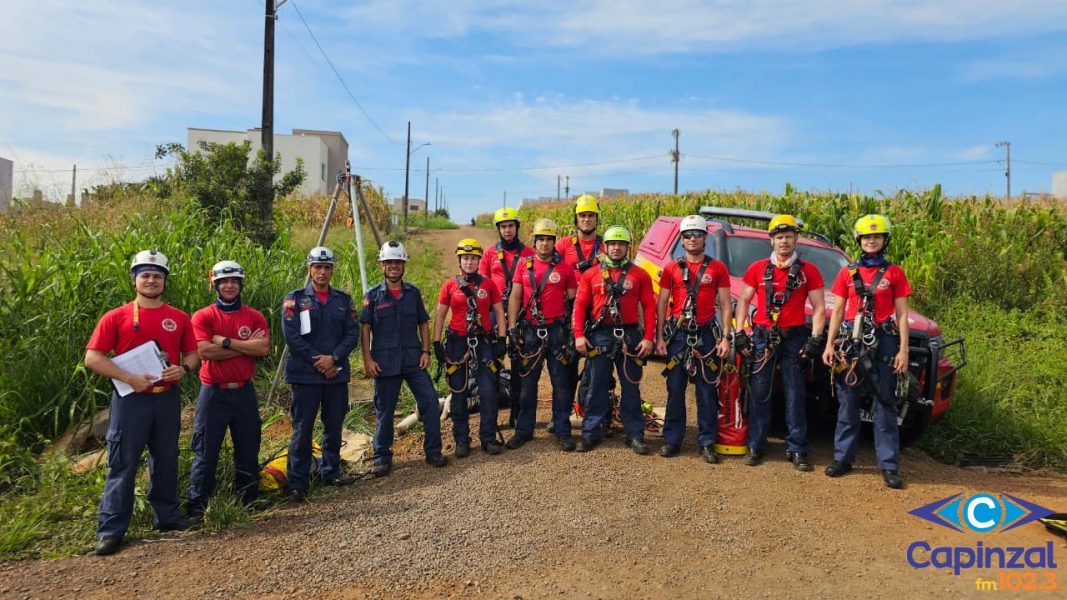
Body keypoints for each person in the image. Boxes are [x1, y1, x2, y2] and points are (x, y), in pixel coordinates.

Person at [84, 250, 200, 556]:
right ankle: (111, 530)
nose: (151, 280)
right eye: (145, 275)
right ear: (135, 279)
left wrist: (184, 368)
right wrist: (127, 377)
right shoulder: (116, 317)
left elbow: (193, 355)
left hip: (167, 400)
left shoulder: (178, 318)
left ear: (165, 281)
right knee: (122, 463)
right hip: (131, 401)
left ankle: (167, 517)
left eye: (157, 276)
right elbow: (93, 357)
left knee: (165, 457)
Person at [821, 215, 911, 489]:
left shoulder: (894, 273)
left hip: (883, 342)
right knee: (848, 402)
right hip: (851, 342)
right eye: (866, 237)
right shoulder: (847, 273)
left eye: (877, 237)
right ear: (859, 241)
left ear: (885, 240)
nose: (872, 241)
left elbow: (903, 314)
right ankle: (843, 458)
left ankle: (889, 465)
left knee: (884, 403)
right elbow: (837, 310)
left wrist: (903, 350)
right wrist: (829, 343)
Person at [734, 215, 826, 470]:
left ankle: (797, 448)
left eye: (788, 236)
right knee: (760, 391)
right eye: (779, 237)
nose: (784, 241)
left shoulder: (809, 271)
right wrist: (740, 332)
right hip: (762, 337)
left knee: (795, 392)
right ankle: (756, 444)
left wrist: (815, 340)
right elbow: (743, 300)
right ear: (771, 240)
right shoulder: (758, 268)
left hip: (794, 338)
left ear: (796, 239)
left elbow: (819, 308)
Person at [186, 261, 270, 520]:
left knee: (248, 446)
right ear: (216, 285)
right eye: (224, 281)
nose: (229, 285)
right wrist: (247, 345)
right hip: (213, 393)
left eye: (234, 281)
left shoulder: (254, 316)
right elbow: (204, 351)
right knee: (205, 450)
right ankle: (197, 506)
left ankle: (247, 500)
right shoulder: (203, 316)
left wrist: (225, 342)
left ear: (241, 283)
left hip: (244, 392)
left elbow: (264, 349)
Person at [362, 241, 448, 476]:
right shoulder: (372, 295)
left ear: (403, 265)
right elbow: (366, 328)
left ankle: (433, 452)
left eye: (398, 262)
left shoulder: (413, 293)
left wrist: (426, 351)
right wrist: (368, 360)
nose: (393, 266)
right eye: (389, 262)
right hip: (385, 362)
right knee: (385, 410)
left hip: (412, 359)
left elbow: (423, 322)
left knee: (430, 402)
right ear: (382, 264)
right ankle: (381, 457)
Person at [282, 246, 360, 502]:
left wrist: (333, 358)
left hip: (335, 374)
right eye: (318, 267)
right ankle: (297, 483)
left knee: (334, 425)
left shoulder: (343, 300)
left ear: (332, 270)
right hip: (305, 375)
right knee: (302, 429)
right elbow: (291, 335)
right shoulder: (295, 299)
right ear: (310, 269)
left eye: (327, 267)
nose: (322, 272)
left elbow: (352, 333)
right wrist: (319, 360)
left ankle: (331, 471)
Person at [654, 216, 733, 461]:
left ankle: (707, 442)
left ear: (705, 238)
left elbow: (727, 306)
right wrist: (660, 337)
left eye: (697, 234)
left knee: (706, 391)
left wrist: (725, 338)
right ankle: (672, 440)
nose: (692, 239)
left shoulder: (717, 268)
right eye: (687, 235)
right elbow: (661, 303)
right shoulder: (671, 268)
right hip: (678, 336)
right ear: (681, 239)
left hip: (707, 336)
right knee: (675, 389)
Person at [573, 225, 656, 454]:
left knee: (631, 387)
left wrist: (648, 338)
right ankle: (591, 433)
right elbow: (579, 306)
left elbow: (649, 308)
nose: (617, 248)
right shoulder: (590, 274)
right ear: (605, 247)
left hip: (630, 335)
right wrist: (579, 335)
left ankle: (635, 435)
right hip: (600, 334)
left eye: (621, 244)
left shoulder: (640, 275)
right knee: (596, 386)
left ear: (628, 247)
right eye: (613, 244)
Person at [505, 218, 579, 451]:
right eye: (540, 239)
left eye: (549, 239)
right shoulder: (523, 266)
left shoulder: (564, 268)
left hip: (557, 331)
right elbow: (515, 297)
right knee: (527, 384)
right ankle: (524, 430)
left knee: (561, 384)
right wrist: (512, 328)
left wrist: (571, 333)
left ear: (554, 242)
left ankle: (562, 430)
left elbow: (573, 302)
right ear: (534, 242)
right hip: (529, 332)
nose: (544, 244)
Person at [433, 239, 508, 457]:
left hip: (483, 343)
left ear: (478, 261)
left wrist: (502, 339)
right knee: (459, 394)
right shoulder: (450, 285)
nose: (469, 262)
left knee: (488, 392)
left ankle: (488, 438)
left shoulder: (488, 284)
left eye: (473, 258)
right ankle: (461, 441)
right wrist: (437, 342)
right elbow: (440, 315)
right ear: (459, 260)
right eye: (465, 258)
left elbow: (499, 313)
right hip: (457, 344)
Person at [479, 207, 535, 425]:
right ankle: (490, 413)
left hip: (520, 313)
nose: (507, 230)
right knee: (492, 361)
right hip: (495, 312)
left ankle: (516, 412)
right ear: (498, 229)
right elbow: (482, 286)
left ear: (517, 227)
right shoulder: (490, 254)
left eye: (511, 226)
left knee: (521, 363)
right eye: (503, 227)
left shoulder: (529, 253)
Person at [554, 194, 605, 434]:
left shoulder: (605, 245)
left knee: (598, 367)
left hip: (596, 310)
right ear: (576, 218)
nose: (586, 219)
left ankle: (592, 415)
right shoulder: (564, 245)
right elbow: (552, 271)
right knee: (566, 366)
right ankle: (561, 417)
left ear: (596, 218)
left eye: (590, 216)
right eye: (583, 215)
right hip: (569, 310)